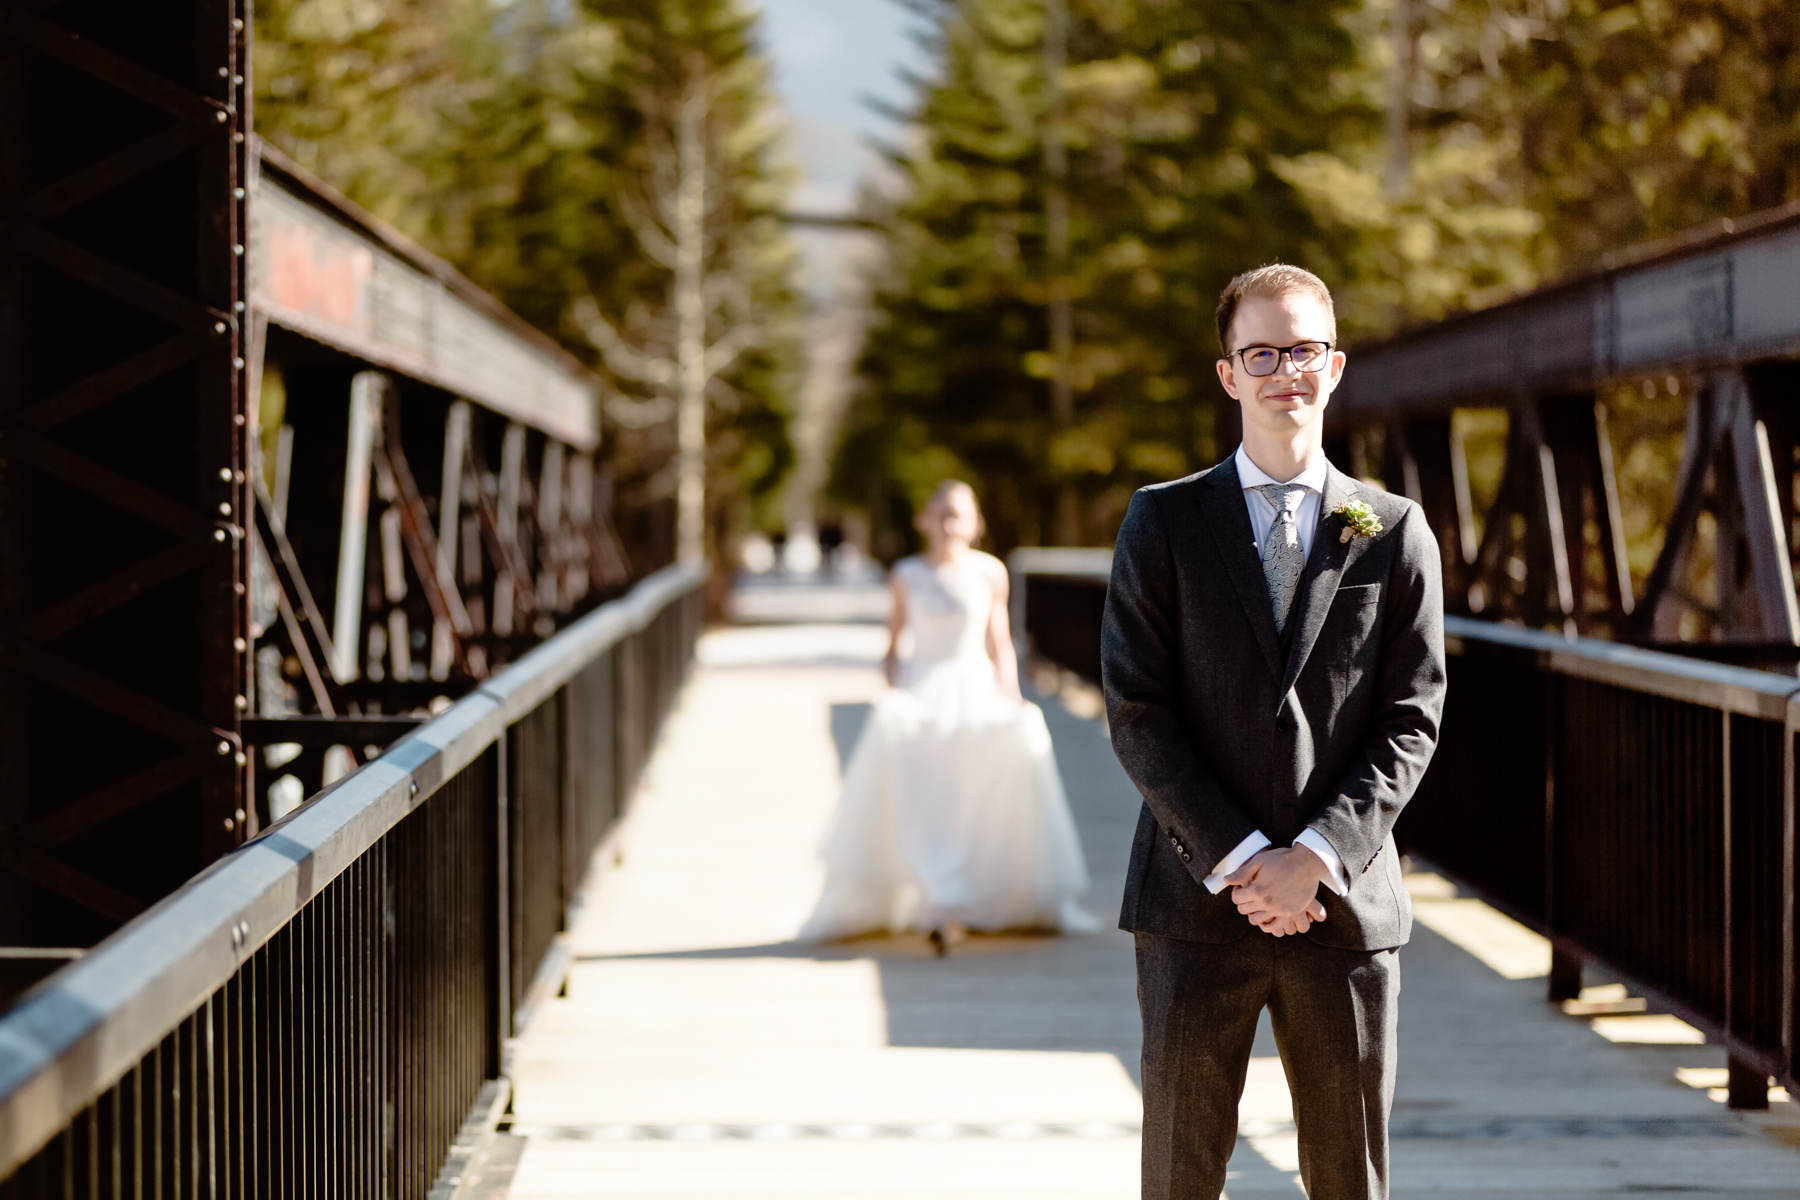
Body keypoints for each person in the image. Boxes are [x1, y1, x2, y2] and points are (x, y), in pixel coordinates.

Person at [1100, 265, 1446, 1199]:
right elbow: (1137, 710)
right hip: (1194, 905)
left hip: (1345, 909)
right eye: (1261, 352)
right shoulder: (1161, 522)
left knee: (1350, 1181)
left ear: (1334, 368)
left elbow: (1411, 718)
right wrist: (1244, 857)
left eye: (1301, 351)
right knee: (1180, 1176)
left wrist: (1318, 857)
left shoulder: (1397, 532)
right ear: (1229, 374)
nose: (1282, 370)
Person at [799, 480, 1095, 954]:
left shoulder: (989, 573)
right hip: (924, 690)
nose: (948, 523)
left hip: (973, 688)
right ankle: (940, 898)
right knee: (924, 788)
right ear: (924, 521)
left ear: (974, 524)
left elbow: (998, 641)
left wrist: (1012, 696)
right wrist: (892, 693)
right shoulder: (906, 574)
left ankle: (964, 896)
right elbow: (894, 645)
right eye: (940, 513)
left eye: (958, 514)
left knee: (980, 783)